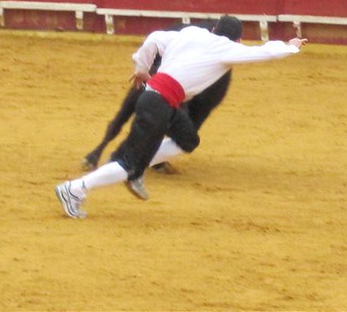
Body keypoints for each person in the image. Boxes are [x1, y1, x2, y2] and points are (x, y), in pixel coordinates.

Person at [55, 15, 307, 218]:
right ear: (238, 39)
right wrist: (290, 47)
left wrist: (142, 68)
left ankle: (142, 164)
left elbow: (153, 38)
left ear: (214, 28)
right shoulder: (227, 49)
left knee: (188, 140)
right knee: (128, 163)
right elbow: (263, 53)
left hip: (158, 97)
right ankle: (75, 189)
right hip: (159, 103)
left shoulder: (191, 33)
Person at [82, 20, 232, 174]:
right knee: (162, 124)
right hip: (173, 85)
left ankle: (101, 153)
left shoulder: (188, 34)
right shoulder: (220, 65)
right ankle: (124, 159)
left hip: (160, 74)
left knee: (129, 112)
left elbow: (155, 40)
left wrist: (143, 68)